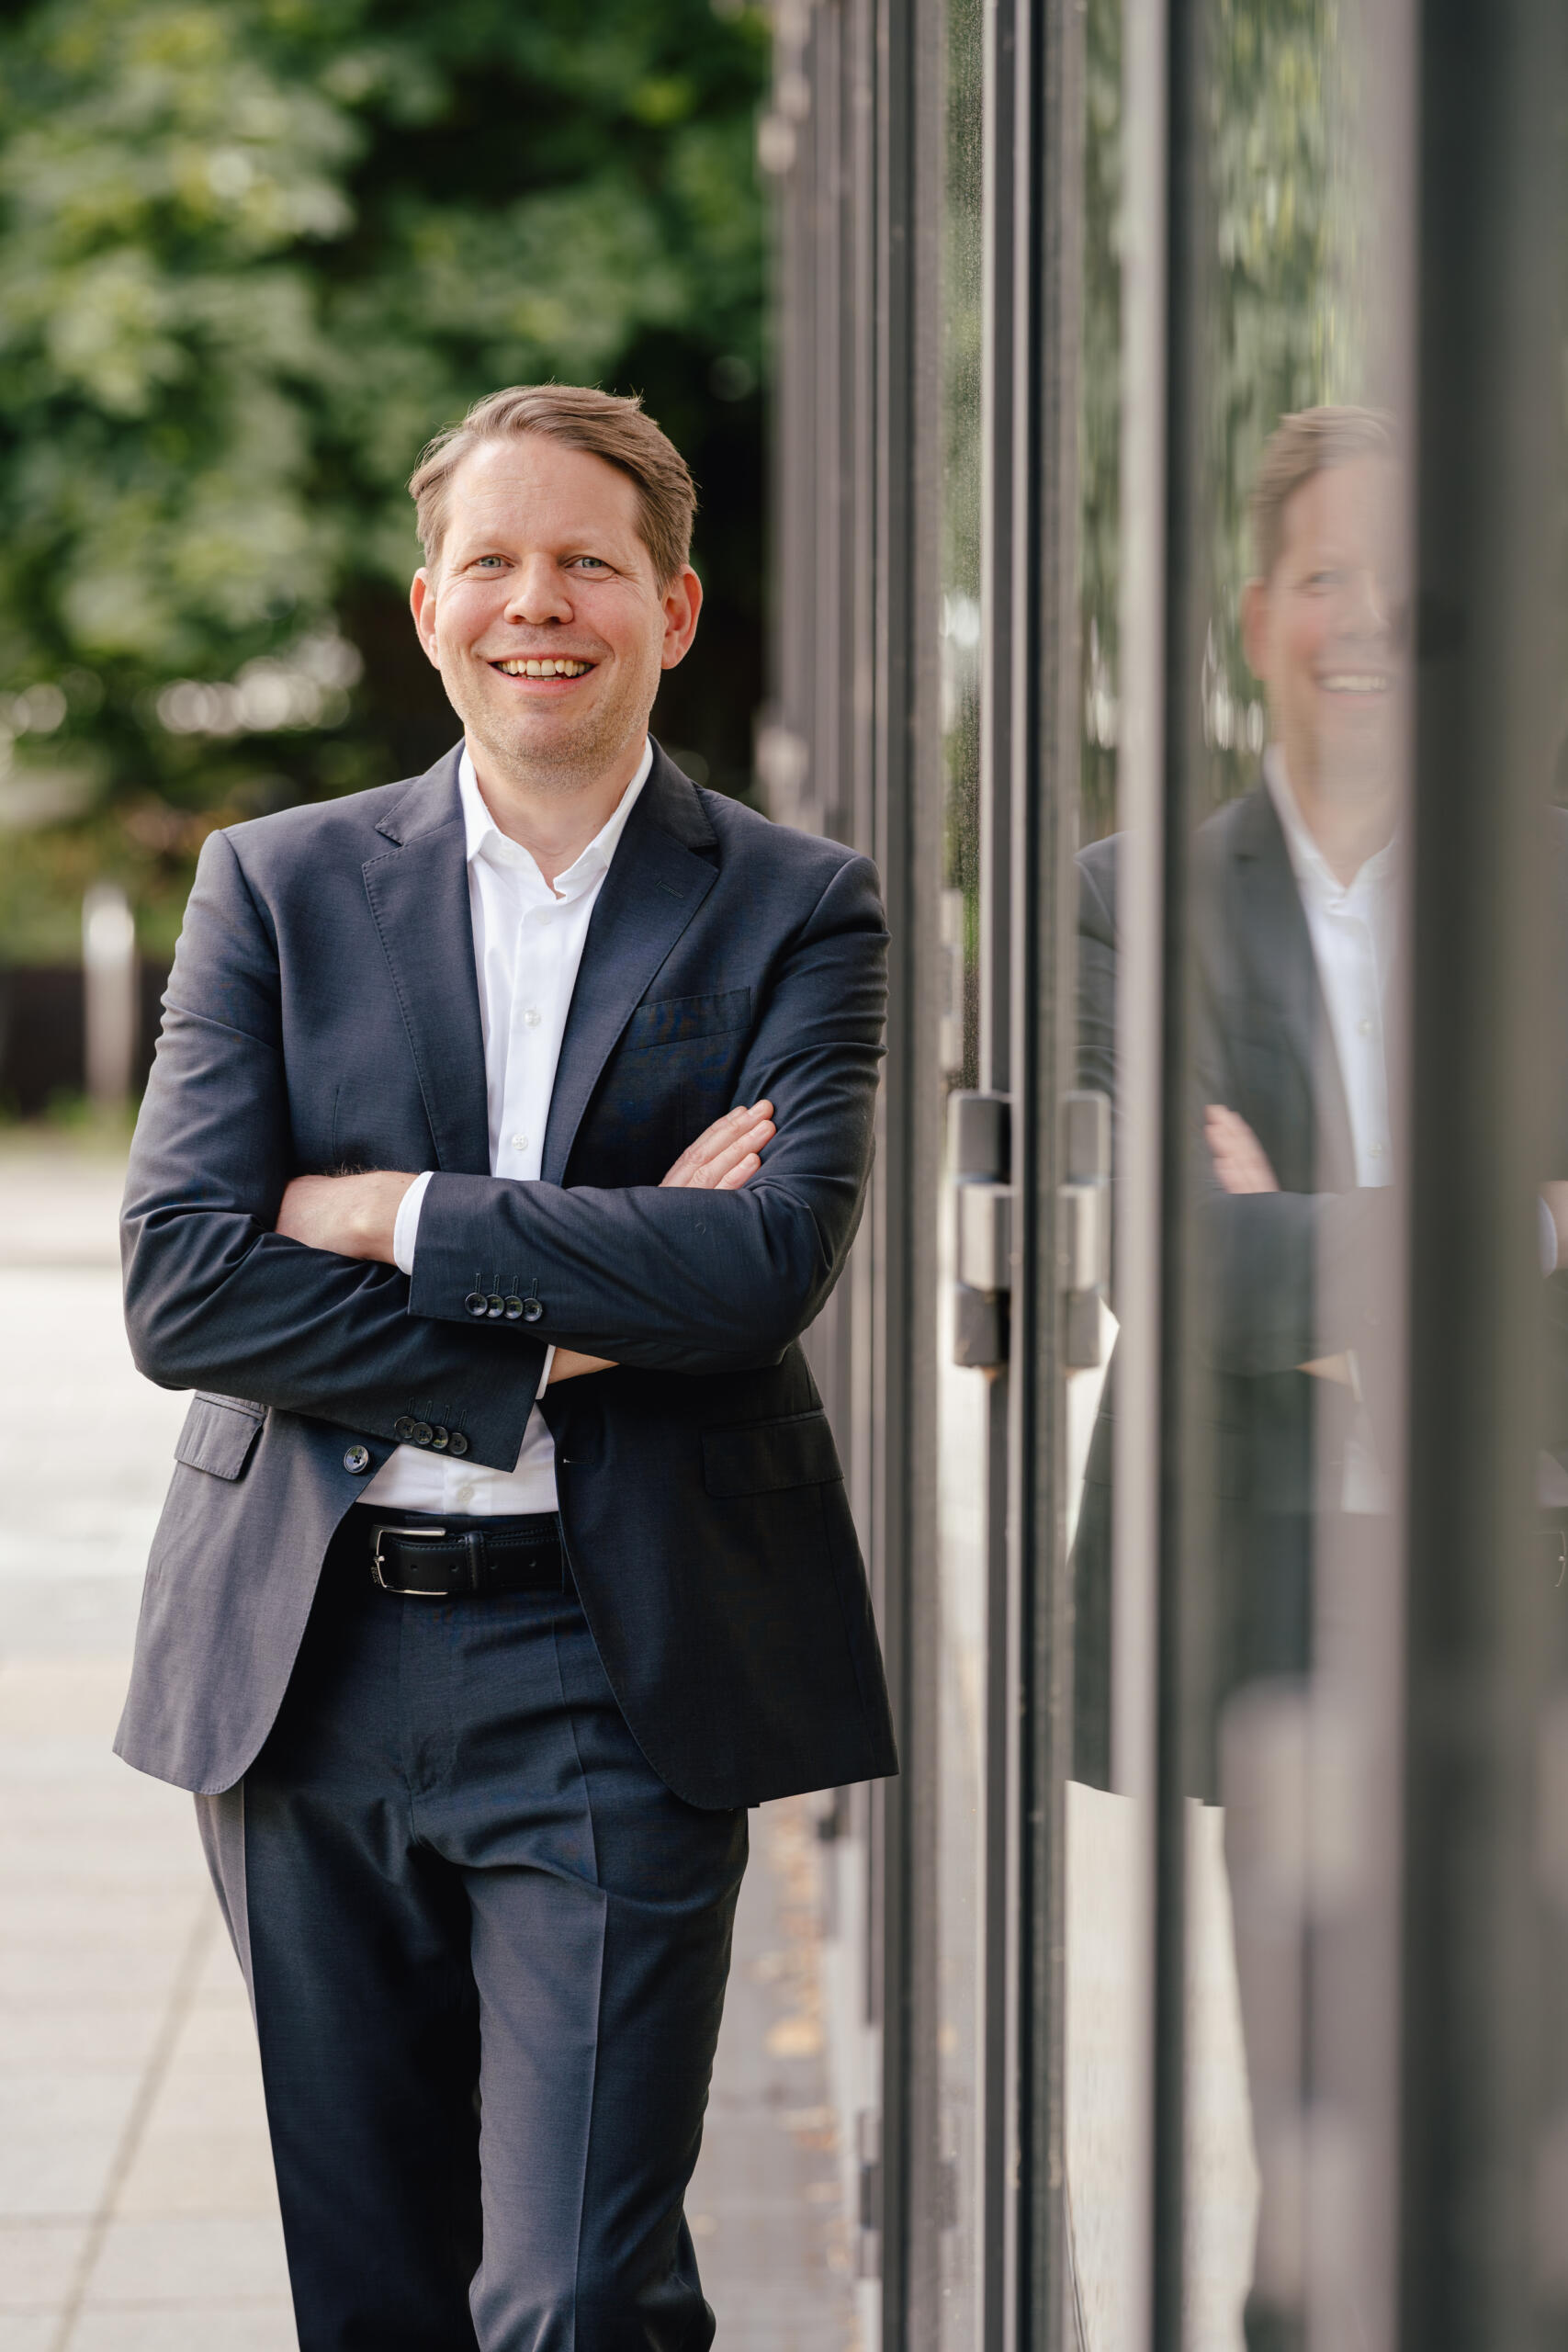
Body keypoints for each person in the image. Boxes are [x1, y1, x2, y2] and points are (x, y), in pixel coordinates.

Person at [116, 383, 897, 2351]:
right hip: (308, 1668)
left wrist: (395, 1213)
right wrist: (543, 1336)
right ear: (426, 600)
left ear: (676, 606)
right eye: (493, 560)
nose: (535, 600)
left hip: (619, 1660)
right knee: (374, 2291)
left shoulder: (798, 902)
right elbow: (183, 1286)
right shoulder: (275, 883)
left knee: (566, 2285)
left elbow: (763, 1263)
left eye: (586, 562)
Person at [1074, 406, 1407, 2351]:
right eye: (1323, 573)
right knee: (1328, 2140)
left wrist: (1319, 1239)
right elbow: (1176, 1268)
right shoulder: (1134, 898)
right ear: (1249, 608)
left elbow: (1265, 1256)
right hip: (1283, 1579)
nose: (1365, 616)